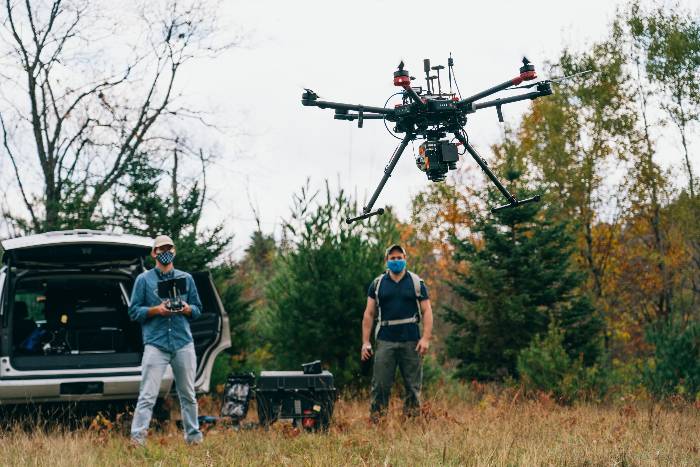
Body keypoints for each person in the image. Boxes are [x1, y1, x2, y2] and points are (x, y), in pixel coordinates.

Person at [129, 235, 204, 446]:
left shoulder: (186, 278)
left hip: (183, 342)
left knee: (188, 394)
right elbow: (134, 311)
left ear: (174, 251)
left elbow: (198, 309)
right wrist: (156, 310)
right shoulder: (143, 280)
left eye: (169, 248)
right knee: (147, 395)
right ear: (154, 253)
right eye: (161, 248)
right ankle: (137, 440)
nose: (165, 251)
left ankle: (194, 439)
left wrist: (188, 309)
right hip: (156, 344)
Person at [361, 244, 433, 421]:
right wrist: (366, 342)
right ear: (387, 261)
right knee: (380, 387)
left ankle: (412, 424)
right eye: (392, 258)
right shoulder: (377, 285)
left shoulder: (416, 283)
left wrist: (425, 338)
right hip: (385, 341)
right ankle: (377, 424)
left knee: (413, 388)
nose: (396, 261)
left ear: (405, 259)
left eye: (399, 258)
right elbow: (369, 314)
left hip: (411, 341)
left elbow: (427, 311)